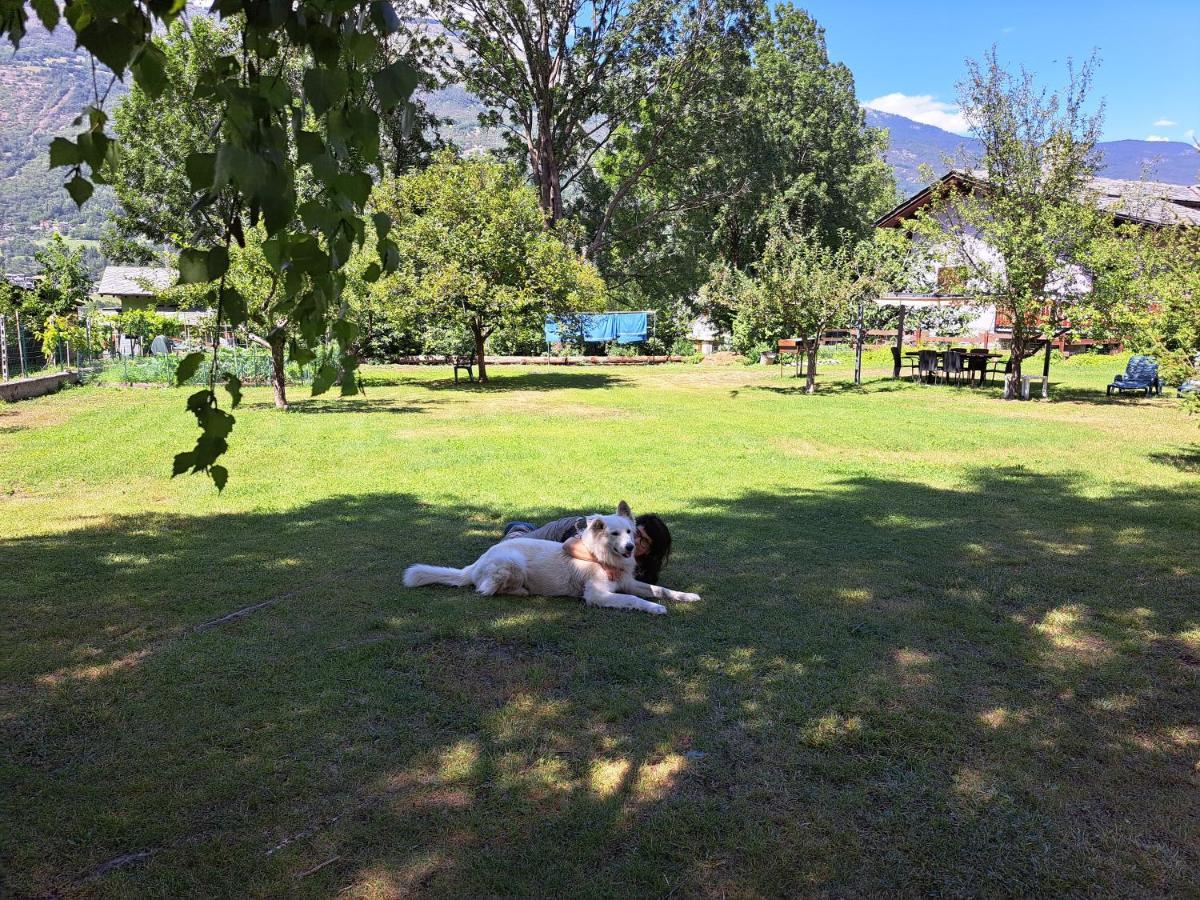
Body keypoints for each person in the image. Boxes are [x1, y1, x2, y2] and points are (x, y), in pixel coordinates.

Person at [501, 512, 672, 584]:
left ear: (651, 551)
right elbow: (569, 546)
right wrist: (607, 564)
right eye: (637, 533)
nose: (633, 540)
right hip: (560, 534)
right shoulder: (609, 530)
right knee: (505, 548)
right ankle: (519, 528)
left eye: (644, 541)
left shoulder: (643, 564)